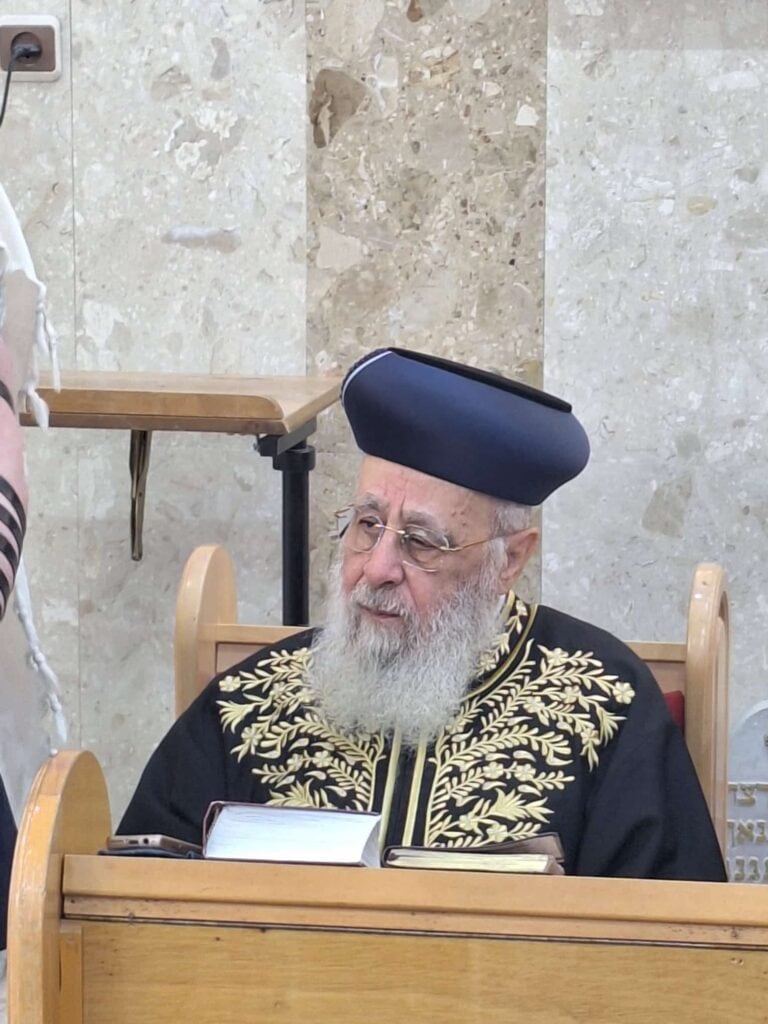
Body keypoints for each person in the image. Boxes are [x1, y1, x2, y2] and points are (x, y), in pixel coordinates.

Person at [120, 348, 726, 880]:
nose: (377, 568)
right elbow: (137, 909)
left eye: (421, 542)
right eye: (367, 525)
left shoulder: (602, 705)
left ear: (509, 560)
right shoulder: (249, 704)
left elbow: (676, 946)